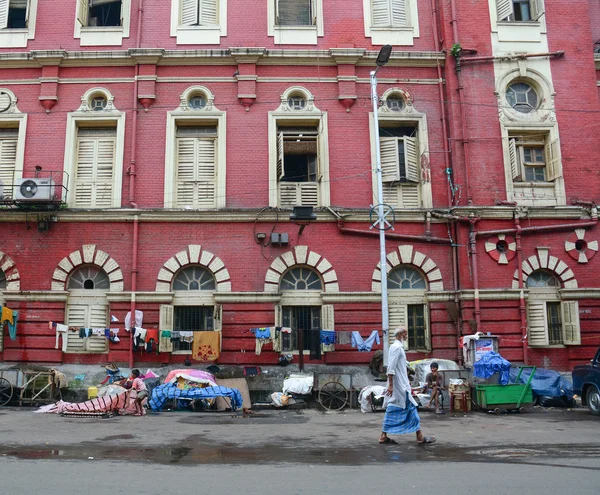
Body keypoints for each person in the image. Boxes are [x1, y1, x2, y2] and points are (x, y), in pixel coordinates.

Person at [379, 327, 436, 445]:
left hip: (401, 384)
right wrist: (390, 385)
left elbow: (399, 367)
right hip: (399, 386)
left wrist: (406, 379)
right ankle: (419, 436)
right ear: (400, 334)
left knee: (401, 408)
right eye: (405, 333)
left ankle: (384, 435)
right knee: (409, 408)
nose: (406, 335)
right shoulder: (396, 348)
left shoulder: (397, 347)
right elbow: (391, 367)